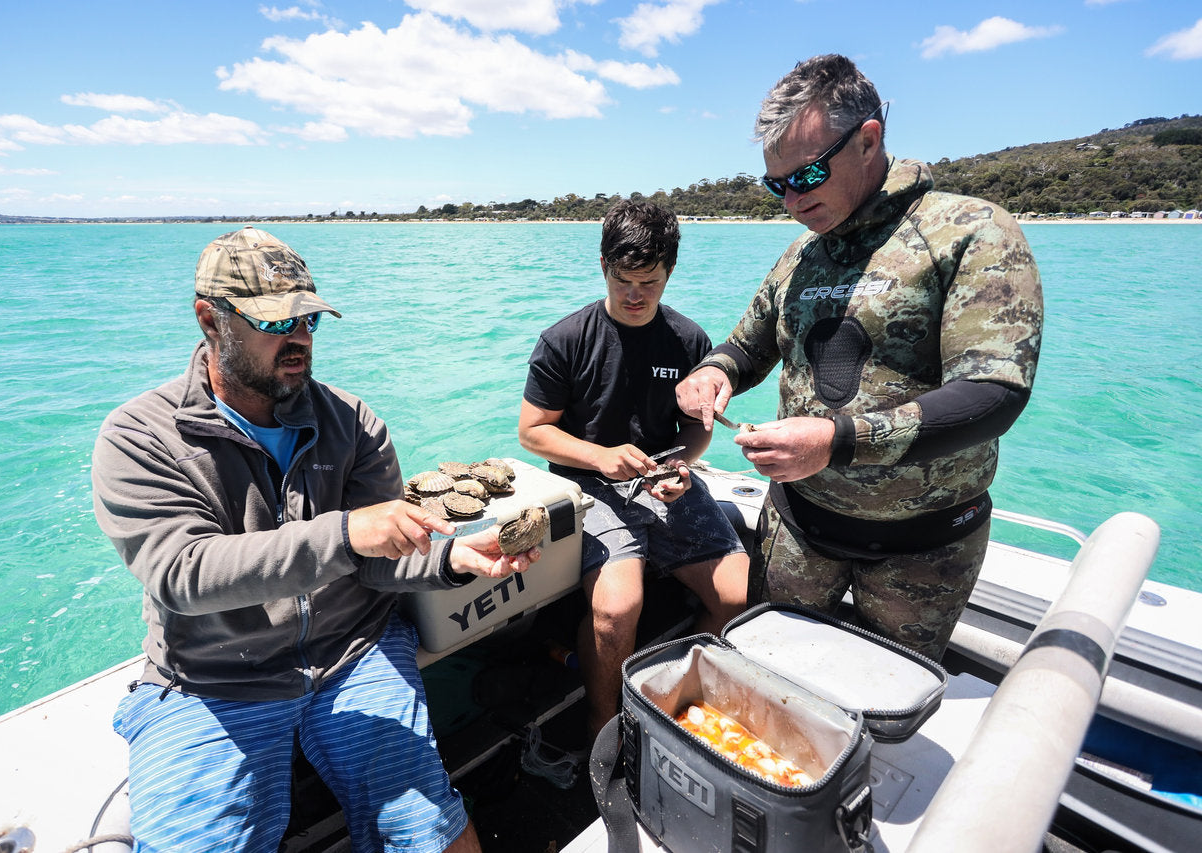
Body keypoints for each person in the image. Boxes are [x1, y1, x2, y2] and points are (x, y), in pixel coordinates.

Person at [91, 226, 538, 853]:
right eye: (275, 323)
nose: (298, 338)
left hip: (353, 653)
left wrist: (452, 558)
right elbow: (183, 574)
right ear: (209, 320)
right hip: (213, 682)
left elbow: (375, 565)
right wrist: (350, 532)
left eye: (307, 320)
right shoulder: (140, 437)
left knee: (436, 838)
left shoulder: (353, 423)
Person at [675, 54, 1043, 661]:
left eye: (808, 174)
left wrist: (835, 441)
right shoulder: (801, 254)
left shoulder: (969, 231)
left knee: (883, 714)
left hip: (924, 551)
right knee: (771, 677)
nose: (792, 199)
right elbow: (748, 344)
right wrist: (714, 371)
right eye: (777, 184)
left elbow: (992, 395)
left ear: (868, 140)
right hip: (797, 530)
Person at [518, 200, 749, 738]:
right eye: (623, 280)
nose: (634, 295)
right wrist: (600, 456)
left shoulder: (690, 341)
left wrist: (683, 465)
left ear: (670, 272)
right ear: (603, 266)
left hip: (662, 478)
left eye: (650, 281)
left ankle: (676, 700)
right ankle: (606, 723)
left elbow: (698, 428)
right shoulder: (565, 340)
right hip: (586, 482)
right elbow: (533, 431)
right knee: (618, 610)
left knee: (736, 597)